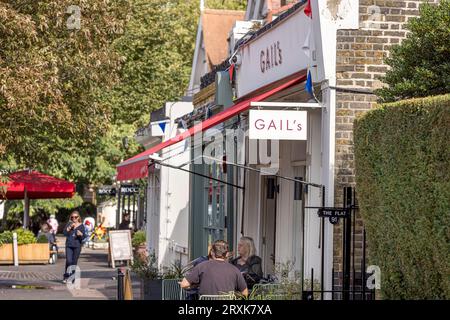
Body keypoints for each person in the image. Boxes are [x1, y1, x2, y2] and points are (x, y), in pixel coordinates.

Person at [180, 240, 248, 297]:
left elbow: (184, 284)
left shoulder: (202, 266)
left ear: (212, 252)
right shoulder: (235, 270)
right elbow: (245, 293)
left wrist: (196, 285)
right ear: (227, 254)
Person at [63, 210, 86, 283]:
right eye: (72, 217)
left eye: (76, 217)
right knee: (69, 261)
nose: (74, 219)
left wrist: (81, 235)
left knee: (74, 262)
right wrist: (69, 228)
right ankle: (66, 275)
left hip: (77, 246)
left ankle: (72, 278)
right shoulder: (69, 224)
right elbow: (64, 233)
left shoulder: (81, 226)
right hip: (69, 245)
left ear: (78, 217)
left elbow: (83, 237)